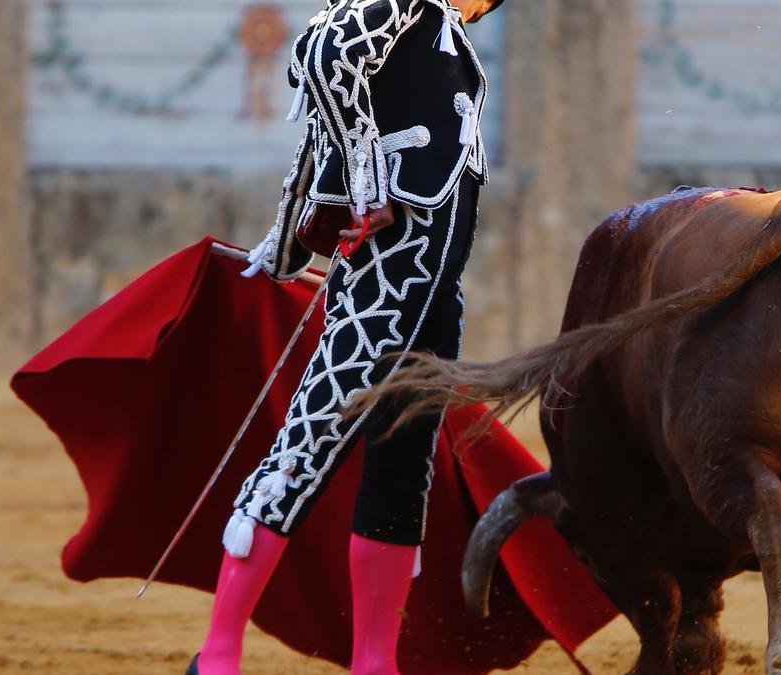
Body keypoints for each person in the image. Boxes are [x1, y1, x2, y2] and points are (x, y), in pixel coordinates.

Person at [189, 0, 505, 672]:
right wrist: (364, 183)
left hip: (431, 282)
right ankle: (216, 656)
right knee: (308, 444)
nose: (480, 6)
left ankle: (375, 662)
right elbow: (323, 55)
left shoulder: (435, 27)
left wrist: (288, 234)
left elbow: (318, 129)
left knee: (402, 459)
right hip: (394, 264)